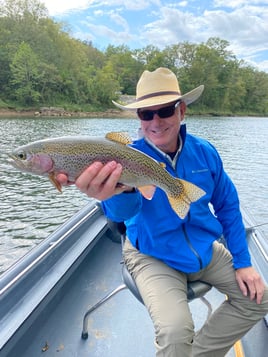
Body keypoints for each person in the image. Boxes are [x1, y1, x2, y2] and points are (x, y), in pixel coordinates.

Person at [57, 67, 268, 356]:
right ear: (139, 119)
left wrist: (243, 261)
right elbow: (119, 216)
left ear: (182, 111)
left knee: (259, 298)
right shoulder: (122, 156)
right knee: (175, 333)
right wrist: (120, 191)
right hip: (151, 252)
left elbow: (228, 206)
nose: (155, 121)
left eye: (165, 110)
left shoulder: (206, 152)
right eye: (146, 113)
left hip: (205, 248)